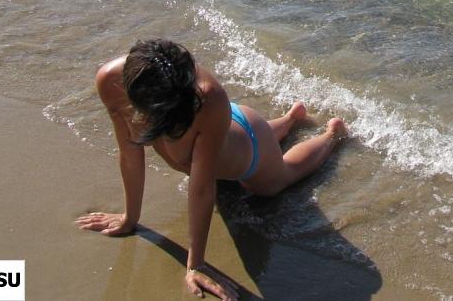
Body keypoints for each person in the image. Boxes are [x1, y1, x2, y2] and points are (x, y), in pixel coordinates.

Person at [76, 38, 347, 299]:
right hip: (225, 132)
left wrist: (196, 264)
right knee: (224, 144)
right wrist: (129, 219)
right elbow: (129, 152)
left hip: (249, 146)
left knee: (276, 181)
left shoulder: (206, 97)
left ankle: (331, 135)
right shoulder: (111, 82)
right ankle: (289, 120)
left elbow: (203, 187)